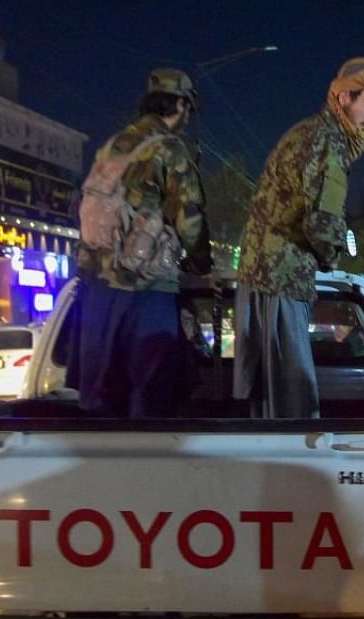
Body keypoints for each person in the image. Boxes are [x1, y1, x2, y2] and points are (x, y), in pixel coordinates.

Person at [234, 58, 364, 418]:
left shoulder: (310, 132)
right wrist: (333, 258)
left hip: (265, 277)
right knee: (293, 402)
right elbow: (322, 223)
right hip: (281, 279)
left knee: (269, 401)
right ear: (343, 98)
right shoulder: (328, 141)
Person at [67, 68, 212, 418]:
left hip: (98, 290)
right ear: (179, 103)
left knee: (101, 396)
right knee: (151, 395)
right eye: (187, 108)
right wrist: (201, 263)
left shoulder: (111, 147)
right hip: (147, 290)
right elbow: (188, 215)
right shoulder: (170, 149)